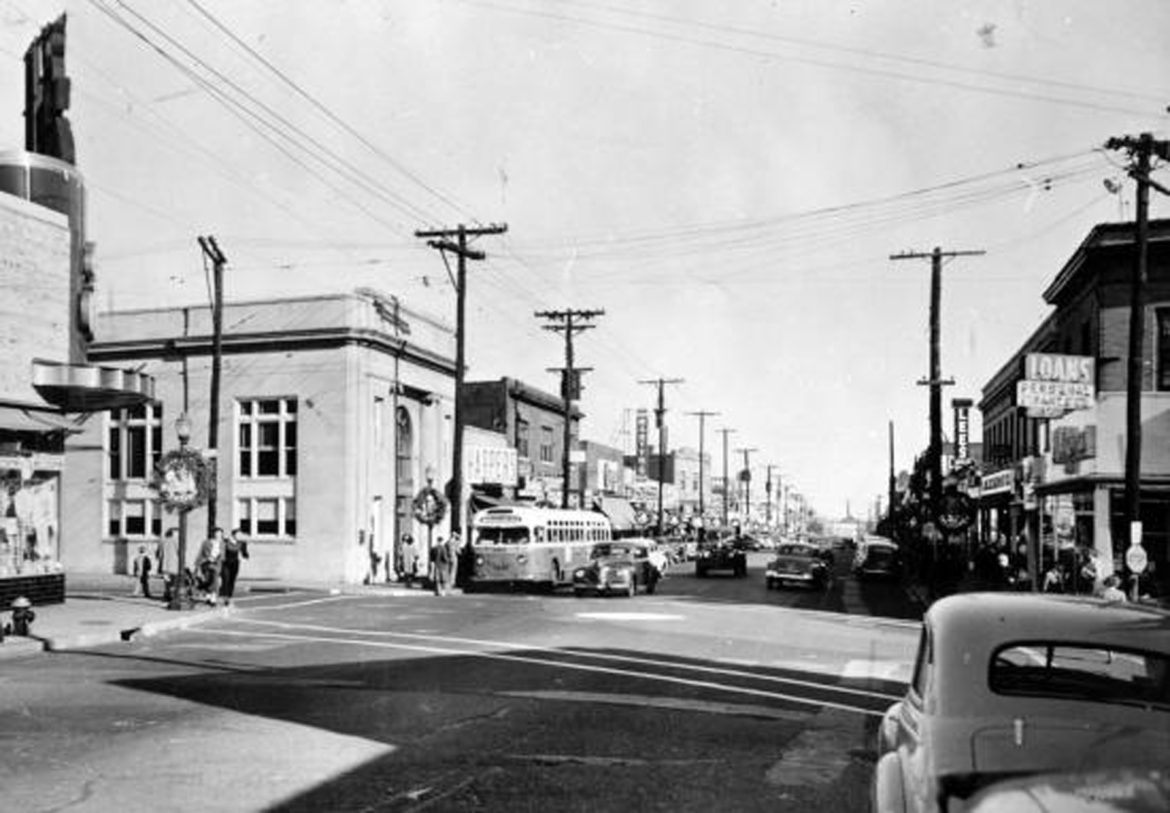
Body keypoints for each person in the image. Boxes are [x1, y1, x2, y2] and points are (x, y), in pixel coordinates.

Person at [194, 527, 225, 605]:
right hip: (206, 563)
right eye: (217, 533)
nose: (219, 535)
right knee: (208, 579)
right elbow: (201, 553)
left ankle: (213, 597)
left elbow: (223, 555)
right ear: (213, 534)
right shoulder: (206, 542)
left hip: (216, 564)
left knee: (214, 579)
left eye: (220, 533)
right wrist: (197, 564)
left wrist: (218, 558)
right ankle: (208, 595)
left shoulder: (222, 543)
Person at [219, 527, 249, 605]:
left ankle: (229, 595)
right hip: (225, 562)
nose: (240, 536)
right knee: (226, 579)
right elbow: (220, 549)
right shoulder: (226, 542)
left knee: (232, 580)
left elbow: (244, 553)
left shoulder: (242, 543)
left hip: (235, 563)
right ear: (233, 535)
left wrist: (246, 556)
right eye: (238, 534)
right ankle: (225, 597)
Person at [157, 528, 180, 603]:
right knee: (174, 581)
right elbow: (179, 551)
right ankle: (172, 595)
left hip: (165, 564)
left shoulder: (162, 541)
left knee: (167, 581)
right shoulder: (176, 541)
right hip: (174, 564)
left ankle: (167, 594)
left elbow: (158, 553)